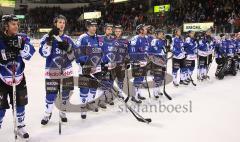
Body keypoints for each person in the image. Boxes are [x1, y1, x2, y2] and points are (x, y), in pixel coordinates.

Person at [0, 14, 35, 139]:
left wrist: (21, 46)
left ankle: (20, 126)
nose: (16, 26)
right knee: (0, 108)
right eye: (13, 24)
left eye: (17, 24)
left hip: (19, 78)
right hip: (2, 80)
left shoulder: (22, 37)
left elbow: (30, 55)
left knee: (20, 104)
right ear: (5, 25)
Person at [39, 15, 75, 125]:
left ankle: (63, 111)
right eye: (59, 22)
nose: (62, 24)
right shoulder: (47, 37)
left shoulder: (68, 39)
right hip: (52, 71)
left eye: (63, 22)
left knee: (65, 94)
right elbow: (44, 53)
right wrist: (50, 38)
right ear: (55, 23)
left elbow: (73, 57)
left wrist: (68, 49)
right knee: (51, 94)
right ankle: (47, 113)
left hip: (66, 72)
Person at [75, 20, 101, 119]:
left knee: (93, 88)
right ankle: (83, 107)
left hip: (96, 68)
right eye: (92, 26)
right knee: (84, 89)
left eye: (95, 26)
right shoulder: (82, 38)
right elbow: (77, 53)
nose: (94, 28)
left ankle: (90, 103)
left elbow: (100, 52)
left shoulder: (98, 38)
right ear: (87, 27)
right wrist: (84, 63)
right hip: (85, 68)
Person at [129, 24, 149, 103]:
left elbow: (146, 50)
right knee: (137, 79)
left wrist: (147, 57)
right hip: (137, 62)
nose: (146, 30)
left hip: (143, 62)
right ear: (141, 30)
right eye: (144, 29)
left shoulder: (146, 38)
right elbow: (132, 50)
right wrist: (134, 61)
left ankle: (138, 94)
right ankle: (134, 96)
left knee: (141, 78)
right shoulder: (135, 38)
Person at [113, 24, 130, 100]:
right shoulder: (110, 40)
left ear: (121, 32)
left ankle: (120, 92)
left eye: (119, 31)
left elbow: (128, 52)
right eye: (116, 31)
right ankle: (109, 94)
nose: (117, 32)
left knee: (121, 79)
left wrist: (128, 60)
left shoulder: (125, 41)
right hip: (112, 64)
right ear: (114, 32)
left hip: (121, 63)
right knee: (110, 79)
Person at [149, 29, 166, 98]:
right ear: (156, 34)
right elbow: (154, 50)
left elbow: (165, 50)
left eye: (162, 34)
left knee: (162, 77)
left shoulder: (162, 41)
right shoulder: (154, 41)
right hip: (156, 61)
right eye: (160, 34)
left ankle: (158, 89)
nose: (162, 35)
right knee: (157, 76)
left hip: (162, 61)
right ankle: (155, 91)